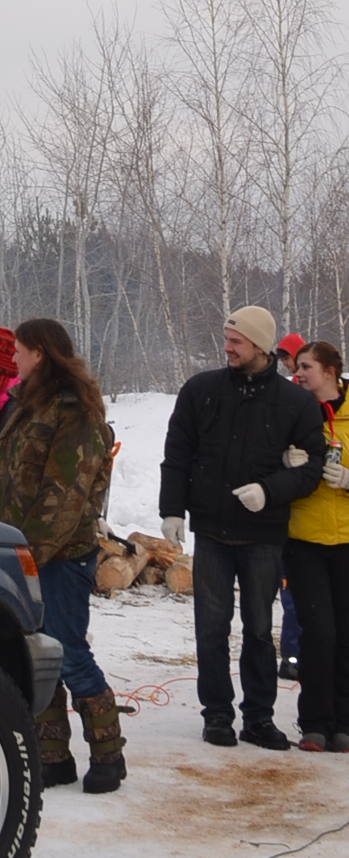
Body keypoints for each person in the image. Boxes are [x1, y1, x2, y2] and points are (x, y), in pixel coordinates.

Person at [159, 304, 325, 749]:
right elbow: (177, 453)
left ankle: (259, 717)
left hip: (264, 536)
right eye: (226, 339)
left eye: (236, 341)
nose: (227, 347)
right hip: (212, 531)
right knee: (211, 628)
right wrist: (172, 510)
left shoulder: (295, 403)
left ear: (260, 345)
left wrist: (270, 490)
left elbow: (312, 467)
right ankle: (216, 713)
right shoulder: (201, 390)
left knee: (258, 629)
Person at [0, 319, 123, 793]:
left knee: (68, 653)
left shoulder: (74, 411)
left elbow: (65, 496)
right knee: (37, 654)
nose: (14, 359)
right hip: (22, 550)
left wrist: (25, 556)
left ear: (41, 354)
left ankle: (108, 753)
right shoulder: (28, 405)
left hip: (61, 555)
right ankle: (53, 755)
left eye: (20, 350)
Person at [283, 341, 349, 751]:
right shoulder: (295, 410)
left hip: (347, 539)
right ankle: (314, 722)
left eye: (306, 366)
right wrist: (287, 466)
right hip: (304, 538)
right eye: (298, 366)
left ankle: (343, 722)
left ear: (330, 371)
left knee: (345, 632)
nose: (299, 373)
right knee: (319, 632)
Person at [276, 332, 307, 680]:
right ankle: (292, 656)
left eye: (289, 357)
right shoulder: (286, 396)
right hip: (290, 510)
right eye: (284, 359)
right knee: (291, 590)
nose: (287, 364)